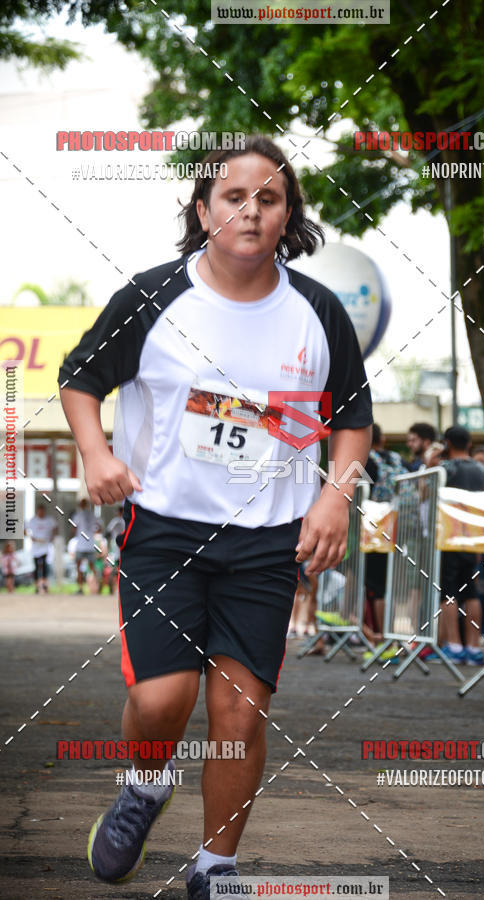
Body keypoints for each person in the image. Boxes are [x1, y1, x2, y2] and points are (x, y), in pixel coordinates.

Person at [58, 135, 373, 898]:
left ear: (286, 213)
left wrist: (336, 495)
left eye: (269, 198)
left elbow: (353, 420)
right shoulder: (154, 295)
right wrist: (97, 456)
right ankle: (143, 786)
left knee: (238, 714)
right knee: (161, 699)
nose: (251, 210)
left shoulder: (317, 311)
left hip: (267, 543)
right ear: (204, 211)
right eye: (234, 196)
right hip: (164, 530)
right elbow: (78, 377)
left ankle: (215, 868)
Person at [434, 426, 484, 665]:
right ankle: (474, 647)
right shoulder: (480, 470)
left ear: (447, 442)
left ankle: (454, 646)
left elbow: (426, 492)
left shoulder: (444, 469)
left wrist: (430, 462)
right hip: (475, 536)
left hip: (449, 535)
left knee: (448, 591)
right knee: (471, 592)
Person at [364, 424, 406, 641]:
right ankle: (391, 633)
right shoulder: (397, 459)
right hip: (398, 526)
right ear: (384, 438)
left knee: (376, 585)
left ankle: (381, 635)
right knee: (391, 583)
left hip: (374, 529)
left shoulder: (367, 461)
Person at [26, 503, 57, 594]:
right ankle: (37, 585)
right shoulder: (33, 520)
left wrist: (52, 537)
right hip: (36, 547)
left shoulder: (49, 520)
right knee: (36, 567)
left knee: (44, 566)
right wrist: (30, 537)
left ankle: (44, 585)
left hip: (45, 546)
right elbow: (25, 529)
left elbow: (55, 528)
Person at [72, 498, 100, 594]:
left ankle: (80, 588)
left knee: (78, 567)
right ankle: (98, 586)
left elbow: (73, 528)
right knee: (92, 567)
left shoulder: (78, 515)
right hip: (90, 544)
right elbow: (98, 528)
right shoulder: (92, 515)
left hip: (80, 545)